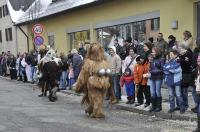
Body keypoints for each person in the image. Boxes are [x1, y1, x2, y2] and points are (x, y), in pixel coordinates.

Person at [163, 50, 185, 114]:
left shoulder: (178, 60)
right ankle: (172, 107)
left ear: (175, 55)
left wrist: (169, 69)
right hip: (169, 80)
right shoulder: (169, 61)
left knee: (178, 95)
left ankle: (182, 108)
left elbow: (177, 70)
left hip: (176, 80)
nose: (170, 56)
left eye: (171, 54)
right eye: (170, 55)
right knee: (171, 95)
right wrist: (170, 69)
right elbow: (164, 69)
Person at [178, 44, 193, 110]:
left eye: (180, 48)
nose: (179, 49)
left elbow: (187, 63)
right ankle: (180, 105)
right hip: (180, 74)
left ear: (184, 49)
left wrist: (180, 60)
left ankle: (185, 105)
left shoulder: (188, 54)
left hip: (186, 74)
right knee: (179, 91)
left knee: (184, 91)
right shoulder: (180, 55)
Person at [149, 47, 165, 112]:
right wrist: (150, 70)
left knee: (157, 92)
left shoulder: (161, 59)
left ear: (157, 52)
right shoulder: (152, 59)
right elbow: (151, 68)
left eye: (153, 52)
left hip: (158, 77)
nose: (152, 53)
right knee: (152, 93)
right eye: (152, 52)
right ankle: (153, 106)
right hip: (152, 77)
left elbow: (162, 69)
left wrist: (152, 71)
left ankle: (159, 106)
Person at [192, 38, 200, 113]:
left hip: (197, 72)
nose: (194, 44)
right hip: (196, 72)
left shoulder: (196, 51)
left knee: (196, 91)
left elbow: (194, 63)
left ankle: (197, 106)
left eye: (195, 42)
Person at [193, 55, 200, 132]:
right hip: (197, 92)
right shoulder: (197, 69)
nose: (198, 62)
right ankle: (198, 127)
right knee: (198, 110)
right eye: (198, 61)